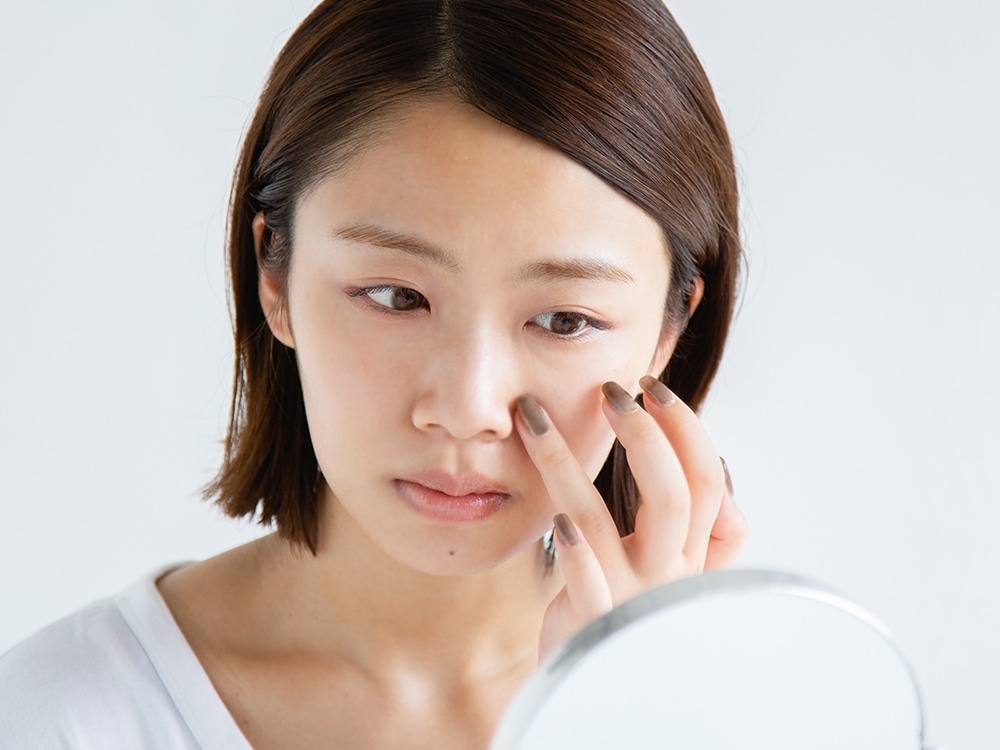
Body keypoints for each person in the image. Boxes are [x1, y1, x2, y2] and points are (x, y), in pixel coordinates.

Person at [0, 0, 748, 747]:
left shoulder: (736, 717)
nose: (467, 409)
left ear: (668, 330)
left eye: (563, 320)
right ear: (275, 278)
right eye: (396, 297)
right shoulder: (58, 719)